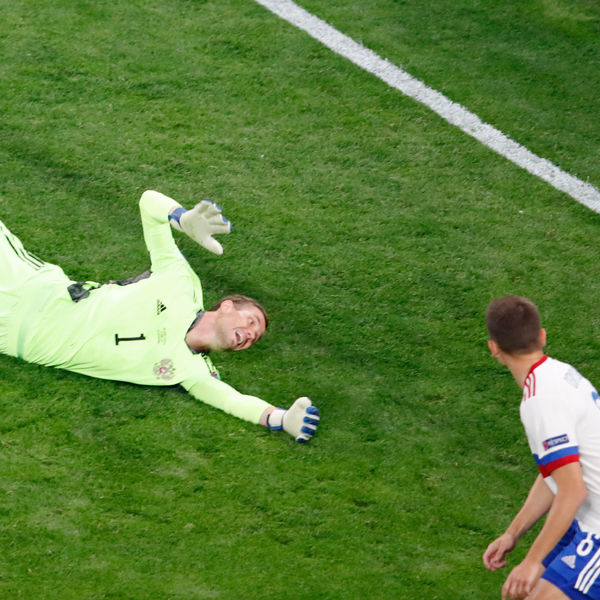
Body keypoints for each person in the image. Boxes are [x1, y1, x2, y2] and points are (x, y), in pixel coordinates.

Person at [0, 189, 319, 442]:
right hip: (32, 286)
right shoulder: (179, 282)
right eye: (251, 321)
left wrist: (281, 418)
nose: (249, 334)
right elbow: (149, 202)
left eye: (254, 338)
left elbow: (232, 401)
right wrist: (182, 218)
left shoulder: (192, 372)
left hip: (11, 337)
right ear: (226, 306)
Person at [483, 295, 600, 600]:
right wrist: (512, 533)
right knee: (523, 593)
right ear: (542, 336)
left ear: (493, 347)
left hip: (597, 527)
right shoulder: (558, 373)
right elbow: (556, 474)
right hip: (587, 517)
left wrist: (532, 561)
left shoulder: (541, 401)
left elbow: (572, 490)